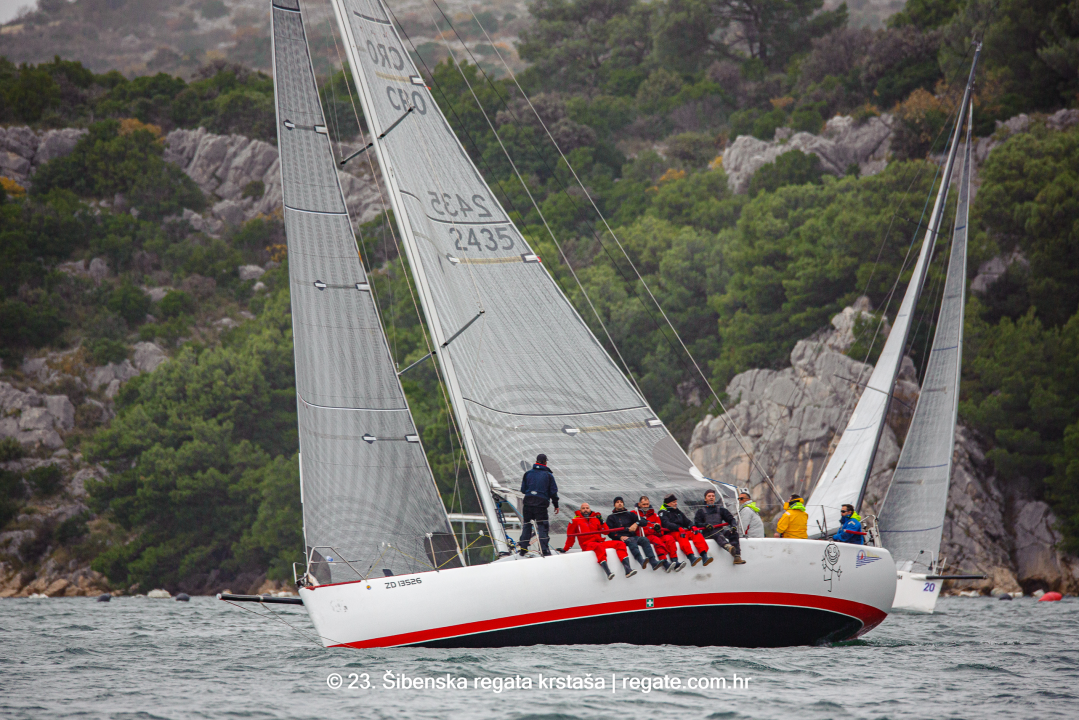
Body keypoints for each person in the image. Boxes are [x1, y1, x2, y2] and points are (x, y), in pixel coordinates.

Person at [557, 502, 636, 579]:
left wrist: (602, 522)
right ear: (580, 510)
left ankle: (628, 569)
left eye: (587, 508)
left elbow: (606, 532)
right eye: (583, 508)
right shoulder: (575, 521)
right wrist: (565, 549)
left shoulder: (595, 519)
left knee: (620, 543)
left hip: (600, 542)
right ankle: (608, 572)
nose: (585, 510)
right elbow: (571, 537)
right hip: (587, 545)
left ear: (590, 509)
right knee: (598, 546)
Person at [518, 453, 559, 556]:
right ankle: (544, 550)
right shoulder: (548, 475)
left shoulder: (527, 474)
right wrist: (556, 505)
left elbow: (523, 490)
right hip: (541, 505)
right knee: (542, 526)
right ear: (545, 462)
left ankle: (523, 549)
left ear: (536, 461)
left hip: (528, 503)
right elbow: (553, 492)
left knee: (527, 525)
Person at [606, 497, 662, 570]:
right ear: (614, 505)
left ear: (623, 504)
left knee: (644, 539)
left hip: (632, 536)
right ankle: (641, 561)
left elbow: (644, 521)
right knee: (631, 541)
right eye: (617, 502)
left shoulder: (630, 514)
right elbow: (610, 532)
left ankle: (653, 562)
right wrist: (620, 537)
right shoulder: (611, 517)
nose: (619, 503)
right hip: (621, 539)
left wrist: (636, 523)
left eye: (621, 502)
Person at [693, 489, 746, 565]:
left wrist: (733, 526)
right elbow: (696, 523)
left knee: (734, 534)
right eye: (709, 496)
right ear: (705, 499)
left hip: (720, 531)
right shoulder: (700, 511)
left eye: (713, 496)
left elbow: (731, 519)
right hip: (708, 533)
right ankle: (728, 547)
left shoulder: (721, 510)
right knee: (717, 534)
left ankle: (737, 557)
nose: (711, 497)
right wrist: (705, 525)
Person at [658, 494, 712, 566]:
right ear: (668, 503)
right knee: (682, 536)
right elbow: (666, 524)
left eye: (676, 501)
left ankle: (704, 555)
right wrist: (678, 528)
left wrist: (692, 526)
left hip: (681, 530)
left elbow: (686, 521)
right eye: (674, 502)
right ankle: (691, 557)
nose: (676, 503)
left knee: (696, 534)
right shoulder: (662, 512)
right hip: (671, 532)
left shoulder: (677, 511)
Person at [634, 496, 682, 572]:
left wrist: (658, 530)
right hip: (645, 536)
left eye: (647, 504)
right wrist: (652, 529)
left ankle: (675, 561)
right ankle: (664, 562)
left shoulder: (654, 515)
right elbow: (637, 530)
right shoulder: (634, 514)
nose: (646, 506)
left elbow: (660, 530)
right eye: (644, 504)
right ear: (639, 504)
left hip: (655, 534)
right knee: (656, 540)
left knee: (669, 538)